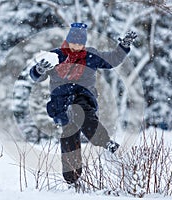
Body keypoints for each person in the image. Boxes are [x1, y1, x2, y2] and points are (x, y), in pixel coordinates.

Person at [29, 22, 136, 185]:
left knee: (80, 111)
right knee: (69, 134)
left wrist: (123, 46)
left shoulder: (90, 56)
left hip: (84, 96)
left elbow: (112, 60)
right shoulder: (55, 56)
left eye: (80, 43)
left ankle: (105, 142)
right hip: (61, 101)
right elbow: (36, 77)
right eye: (74, 42)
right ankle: (72, 177)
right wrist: (39, 69)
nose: (77, 46)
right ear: (68, 40)